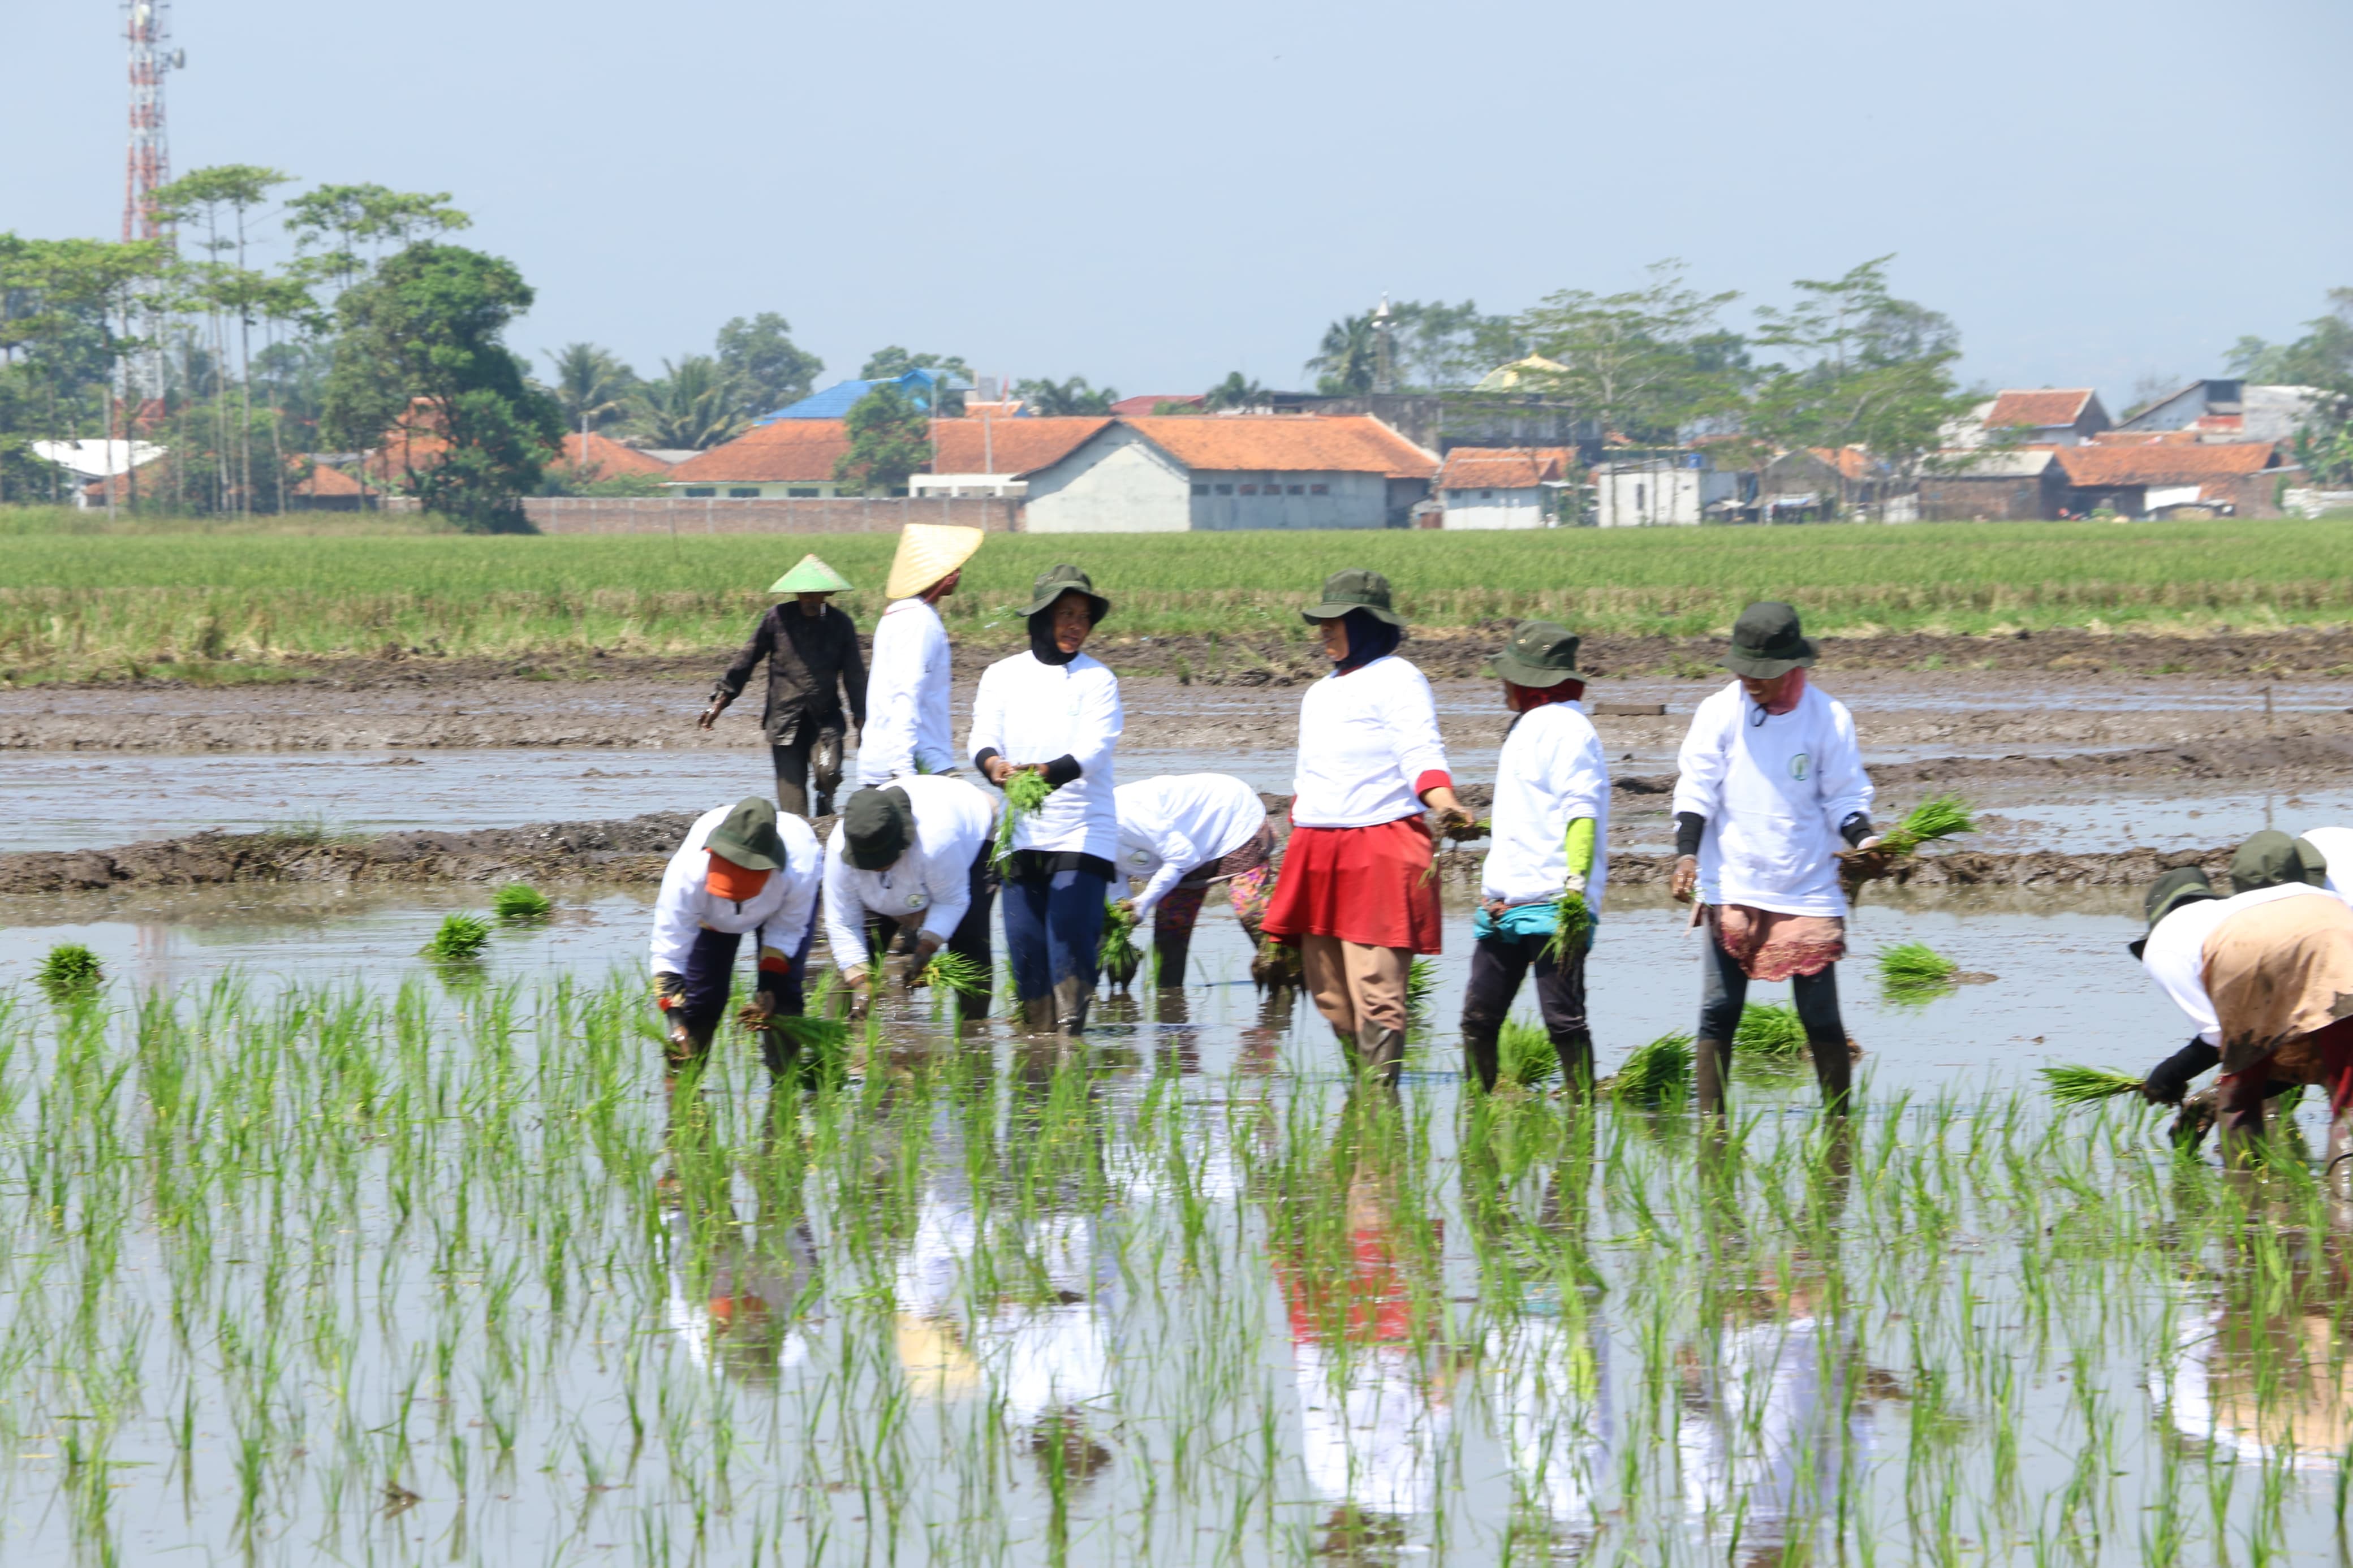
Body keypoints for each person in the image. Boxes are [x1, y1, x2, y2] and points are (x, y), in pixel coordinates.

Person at [1261, 569, 1474, 1086]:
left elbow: (1421, 752)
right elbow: (1306, 782)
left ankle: (1380, 1105)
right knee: (1330, 991)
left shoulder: (1399, 677)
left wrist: (1444, 805)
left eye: (1337, 621)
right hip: (1316, 845)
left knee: (1375, 984)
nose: (1325, 631)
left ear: (1367, 624)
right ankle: (1365, 1095)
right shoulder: (1318, 692)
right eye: (1323, 622)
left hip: (1378, 841)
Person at [1669, 602, 1878, 1115]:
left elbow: (1844, 795)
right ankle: (1711, 1131)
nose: (1750, 680)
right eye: (1744, 669)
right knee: (1719, 1011)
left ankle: (1838, 1128)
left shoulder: (1828, 717)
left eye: (1762, 672)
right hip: (1731, 881)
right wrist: (1686, 856)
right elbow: (1697, 788)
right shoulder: (1719, 711)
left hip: (1807, 884)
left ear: (1792, 666)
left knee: (1821, 1016)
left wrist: (1867, 842)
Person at [2133, 833, 2353, 1165]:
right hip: (2334, 934)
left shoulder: (2167, 943)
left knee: (2242, 1094)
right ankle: (2345, 1205)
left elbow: (2219, 1037)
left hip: (2259, 948)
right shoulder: (2232, 910)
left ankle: (2249, 1205)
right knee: (2345, 1090)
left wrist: (2168, 1076)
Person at [969, 564, 1123, 1036]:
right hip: (1021, 831)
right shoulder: (1002, 675)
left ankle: (1071, 1043)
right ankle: (1039, 1060)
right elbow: (982, 735)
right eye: (1065, 614)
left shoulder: (1098, 679)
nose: (1075, 624)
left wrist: (1042, 772)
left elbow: (1095, 750)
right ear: (1040, 618)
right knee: (1027, 953)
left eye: (1083, 616)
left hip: (1081, 829)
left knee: (1070, 944)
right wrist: (995, 767)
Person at [1458, 620, 1609, 1095]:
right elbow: (1532, 813)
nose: (1503, 683)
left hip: (1551, 903)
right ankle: (1476, 1116)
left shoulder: (1568, 729)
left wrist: (1574, 891)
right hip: (1504, 902)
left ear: (1531, 681)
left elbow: (1581, 815)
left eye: (1510, 674)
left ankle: (1581, 1123)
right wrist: (1478, 829)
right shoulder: (1526, 725)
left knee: (1563, 1020)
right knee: (1478, 1018)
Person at [650, 796, 822, 1076]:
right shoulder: (688, 871)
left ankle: (784, 1089)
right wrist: (676, 1022)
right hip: (711, 919)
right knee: (700, 1000)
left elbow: (786, 932)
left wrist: (768, 986)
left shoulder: (799, 868)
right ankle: (682, 1090)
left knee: (784, 998)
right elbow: (669, 951)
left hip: (777, 910)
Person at [821, 775, 999, 1023]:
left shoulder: (937, 841)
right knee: (855, 955)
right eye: (870, 864)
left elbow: (952, 901)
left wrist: (927, 946)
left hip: (973, 833)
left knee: (969, 939)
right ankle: (833, 1038)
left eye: (884, 860)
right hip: (920, 859)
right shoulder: (840, 849)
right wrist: (860, 982)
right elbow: (842, 923)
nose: (877, 868)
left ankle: (973, 1036)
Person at [699, 554, 866, 818]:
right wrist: (719, 702)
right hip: (784, 720)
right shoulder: (776, 619)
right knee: (793, 810)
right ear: (797, 594)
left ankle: (826, 802)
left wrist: (861, 718)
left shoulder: (840, 624)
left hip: (825, 719)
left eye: (816, 595)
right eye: (805, 595)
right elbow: (747, 660)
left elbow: (855, 675)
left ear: (827, 594)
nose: (810, 601)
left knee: (829, 771)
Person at [1112, 772, 1275, 989]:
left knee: (1252, 914)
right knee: (1170, 934)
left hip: (1230, 816)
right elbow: (1117, 889)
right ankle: (1169, 1007)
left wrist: (1145, 902)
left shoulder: (1125, 816)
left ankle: (1288, 981)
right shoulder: (1088, 842)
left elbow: (1183, 856)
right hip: (1181, 845)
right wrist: (1118, 939)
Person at [859, 523, 985, 787]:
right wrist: (905, 773)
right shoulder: (919, 622)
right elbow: (907, 693)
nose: (960, 573)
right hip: (914, 762)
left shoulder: (898, 615)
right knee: (985, 811)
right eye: (955, 567)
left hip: (894, 757)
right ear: (944, 576)